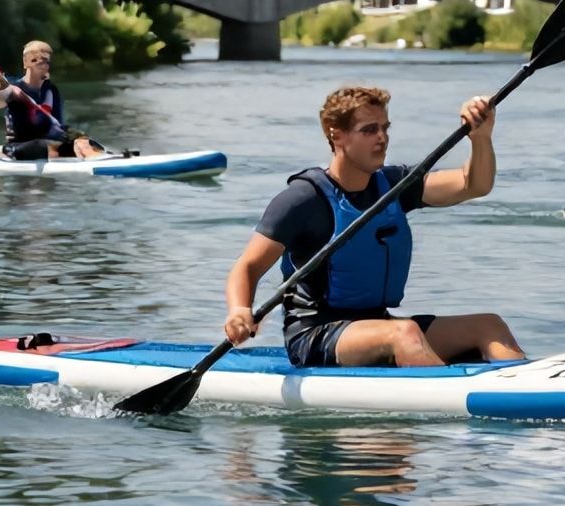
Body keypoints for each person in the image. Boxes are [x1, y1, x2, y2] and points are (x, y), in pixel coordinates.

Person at [221, 85, 524, 368]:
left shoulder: (394, 185)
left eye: (384, 128)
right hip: (316, 334)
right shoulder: (302, 200)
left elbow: (473, 185)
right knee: (405, 334)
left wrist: (480, 137)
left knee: (489, 326)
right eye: (369, 130)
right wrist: (239, 310)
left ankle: (522, 390)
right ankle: (452, 394)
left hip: (379, 322)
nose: (382, 138)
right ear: (337, 135)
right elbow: (248, 266)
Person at [0, 40, 106, 160]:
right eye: (35, 60)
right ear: (25, 63)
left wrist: (75, 139)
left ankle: (101, 159)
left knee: (87, 142)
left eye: (46, 61)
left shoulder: (51, 91)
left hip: (50, 143)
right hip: (20, 146)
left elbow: (57, 125)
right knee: (43, 146)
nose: (42, 64)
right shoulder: (13, 89)